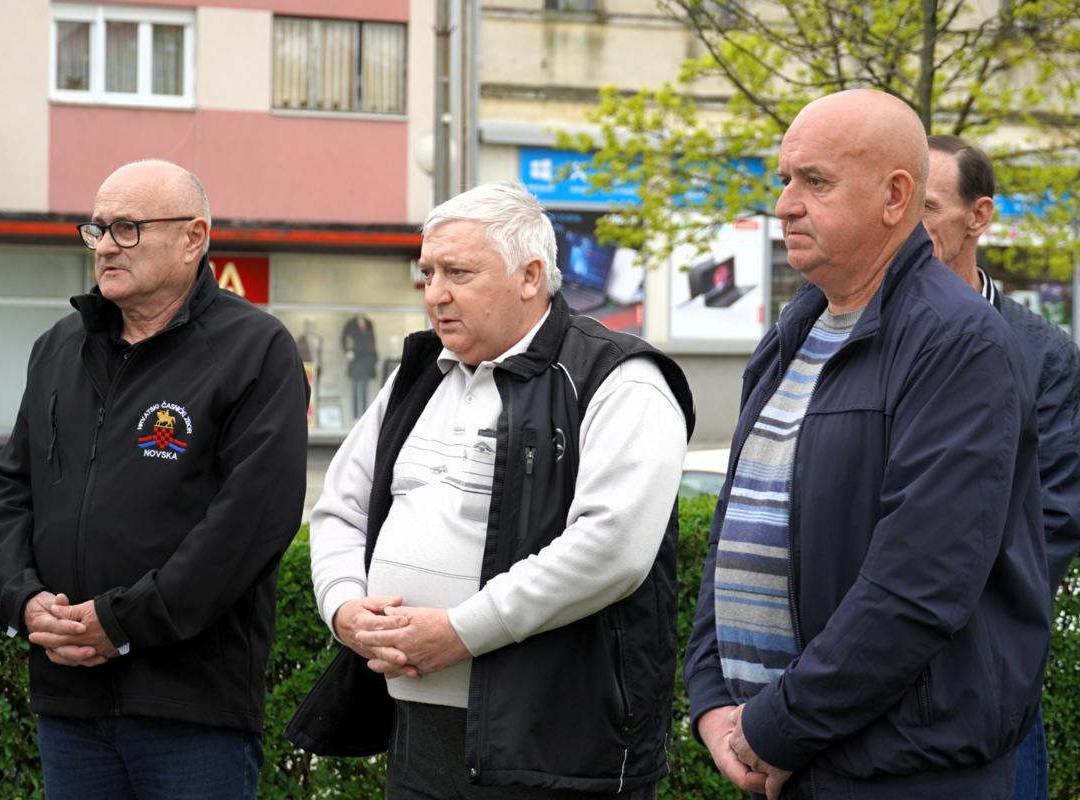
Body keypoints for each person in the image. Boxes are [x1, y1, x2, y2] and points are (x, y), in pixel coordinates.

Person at [683, 89, 1050, 800]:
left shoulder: (959, 342)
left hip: (899, 773)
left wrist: (776, 727)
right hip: (789, 756)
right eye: (785, 179)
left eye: (815, 182)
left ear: (895, 197)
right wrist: (714, 699)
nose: (785, 205)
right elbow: (738, 526)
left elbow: (919, 584)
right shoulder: (793, 333)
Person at [286, 182, 696, 798]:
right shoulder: (417, 377)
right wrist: (344, 608)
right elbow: (340, 509)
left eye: (458, 273)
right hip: (417, 732)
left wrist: (461, 631)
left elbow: (612, 547)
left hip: (558, 747)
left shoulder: (620, 377)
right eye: (427, 273)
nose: (435, 293)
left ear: (530, 276)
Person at [0, 159, 309, 799]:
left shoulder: (255, 348)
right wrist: (23, 599)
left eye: (127, 228)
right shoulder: (58, 347)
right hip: (69, 701)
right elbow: (11, 486)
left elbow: (251, 520)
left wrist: (124, 622)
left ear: (193, 237)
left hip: (190, 710)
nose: (105, 246)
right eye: (97, 228)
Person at [924, 133, 1080, 800]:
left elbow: (1054, 521)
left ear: (978, 216)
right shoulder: (857, 329)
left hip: (986, 679)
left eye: (927, 206)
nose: (906, 222)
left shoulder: (1043, 354)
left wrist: (952, 624)